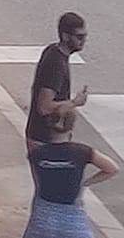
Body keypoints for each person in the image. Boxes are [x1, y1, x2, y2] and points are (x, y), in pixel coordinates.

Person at [25, 12, 88, 148]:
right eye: (79, 37)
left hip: (45, 137)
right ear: (65, 36)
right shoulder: (56, 65)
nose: (83, 41)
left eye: (84, 36)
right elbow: (44, 107)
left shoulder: (53, 51)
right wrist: (75, 102)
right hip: (46, 139)